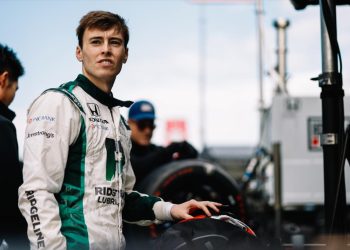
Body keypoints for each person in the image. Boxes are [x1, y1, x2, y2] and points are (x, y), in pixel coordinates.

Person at [18, 11, 221, 250]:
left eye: (114, 42)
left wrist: (173, 209)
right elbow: (36, 192)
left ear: (125, 54)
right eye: (96, 42)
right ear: (79, 53)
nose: (106, 49)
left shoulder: (119, 121)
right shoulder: (59, 103)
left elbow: (121, 199)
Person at [128, 100, 198, 185]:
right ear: (129, 123)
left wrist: (186, 152)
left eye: (151, 125)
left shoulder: (156, 152)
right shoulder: (120, 151)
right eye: (142, 125)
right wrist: (169, 150)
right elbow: (136, 168)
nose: (147, 131)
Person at [0, 44, 28, 249]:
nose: (14, 96)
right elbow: (10, 201)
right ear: (4, 80)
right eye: (15, 89)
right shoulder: (3, 126)